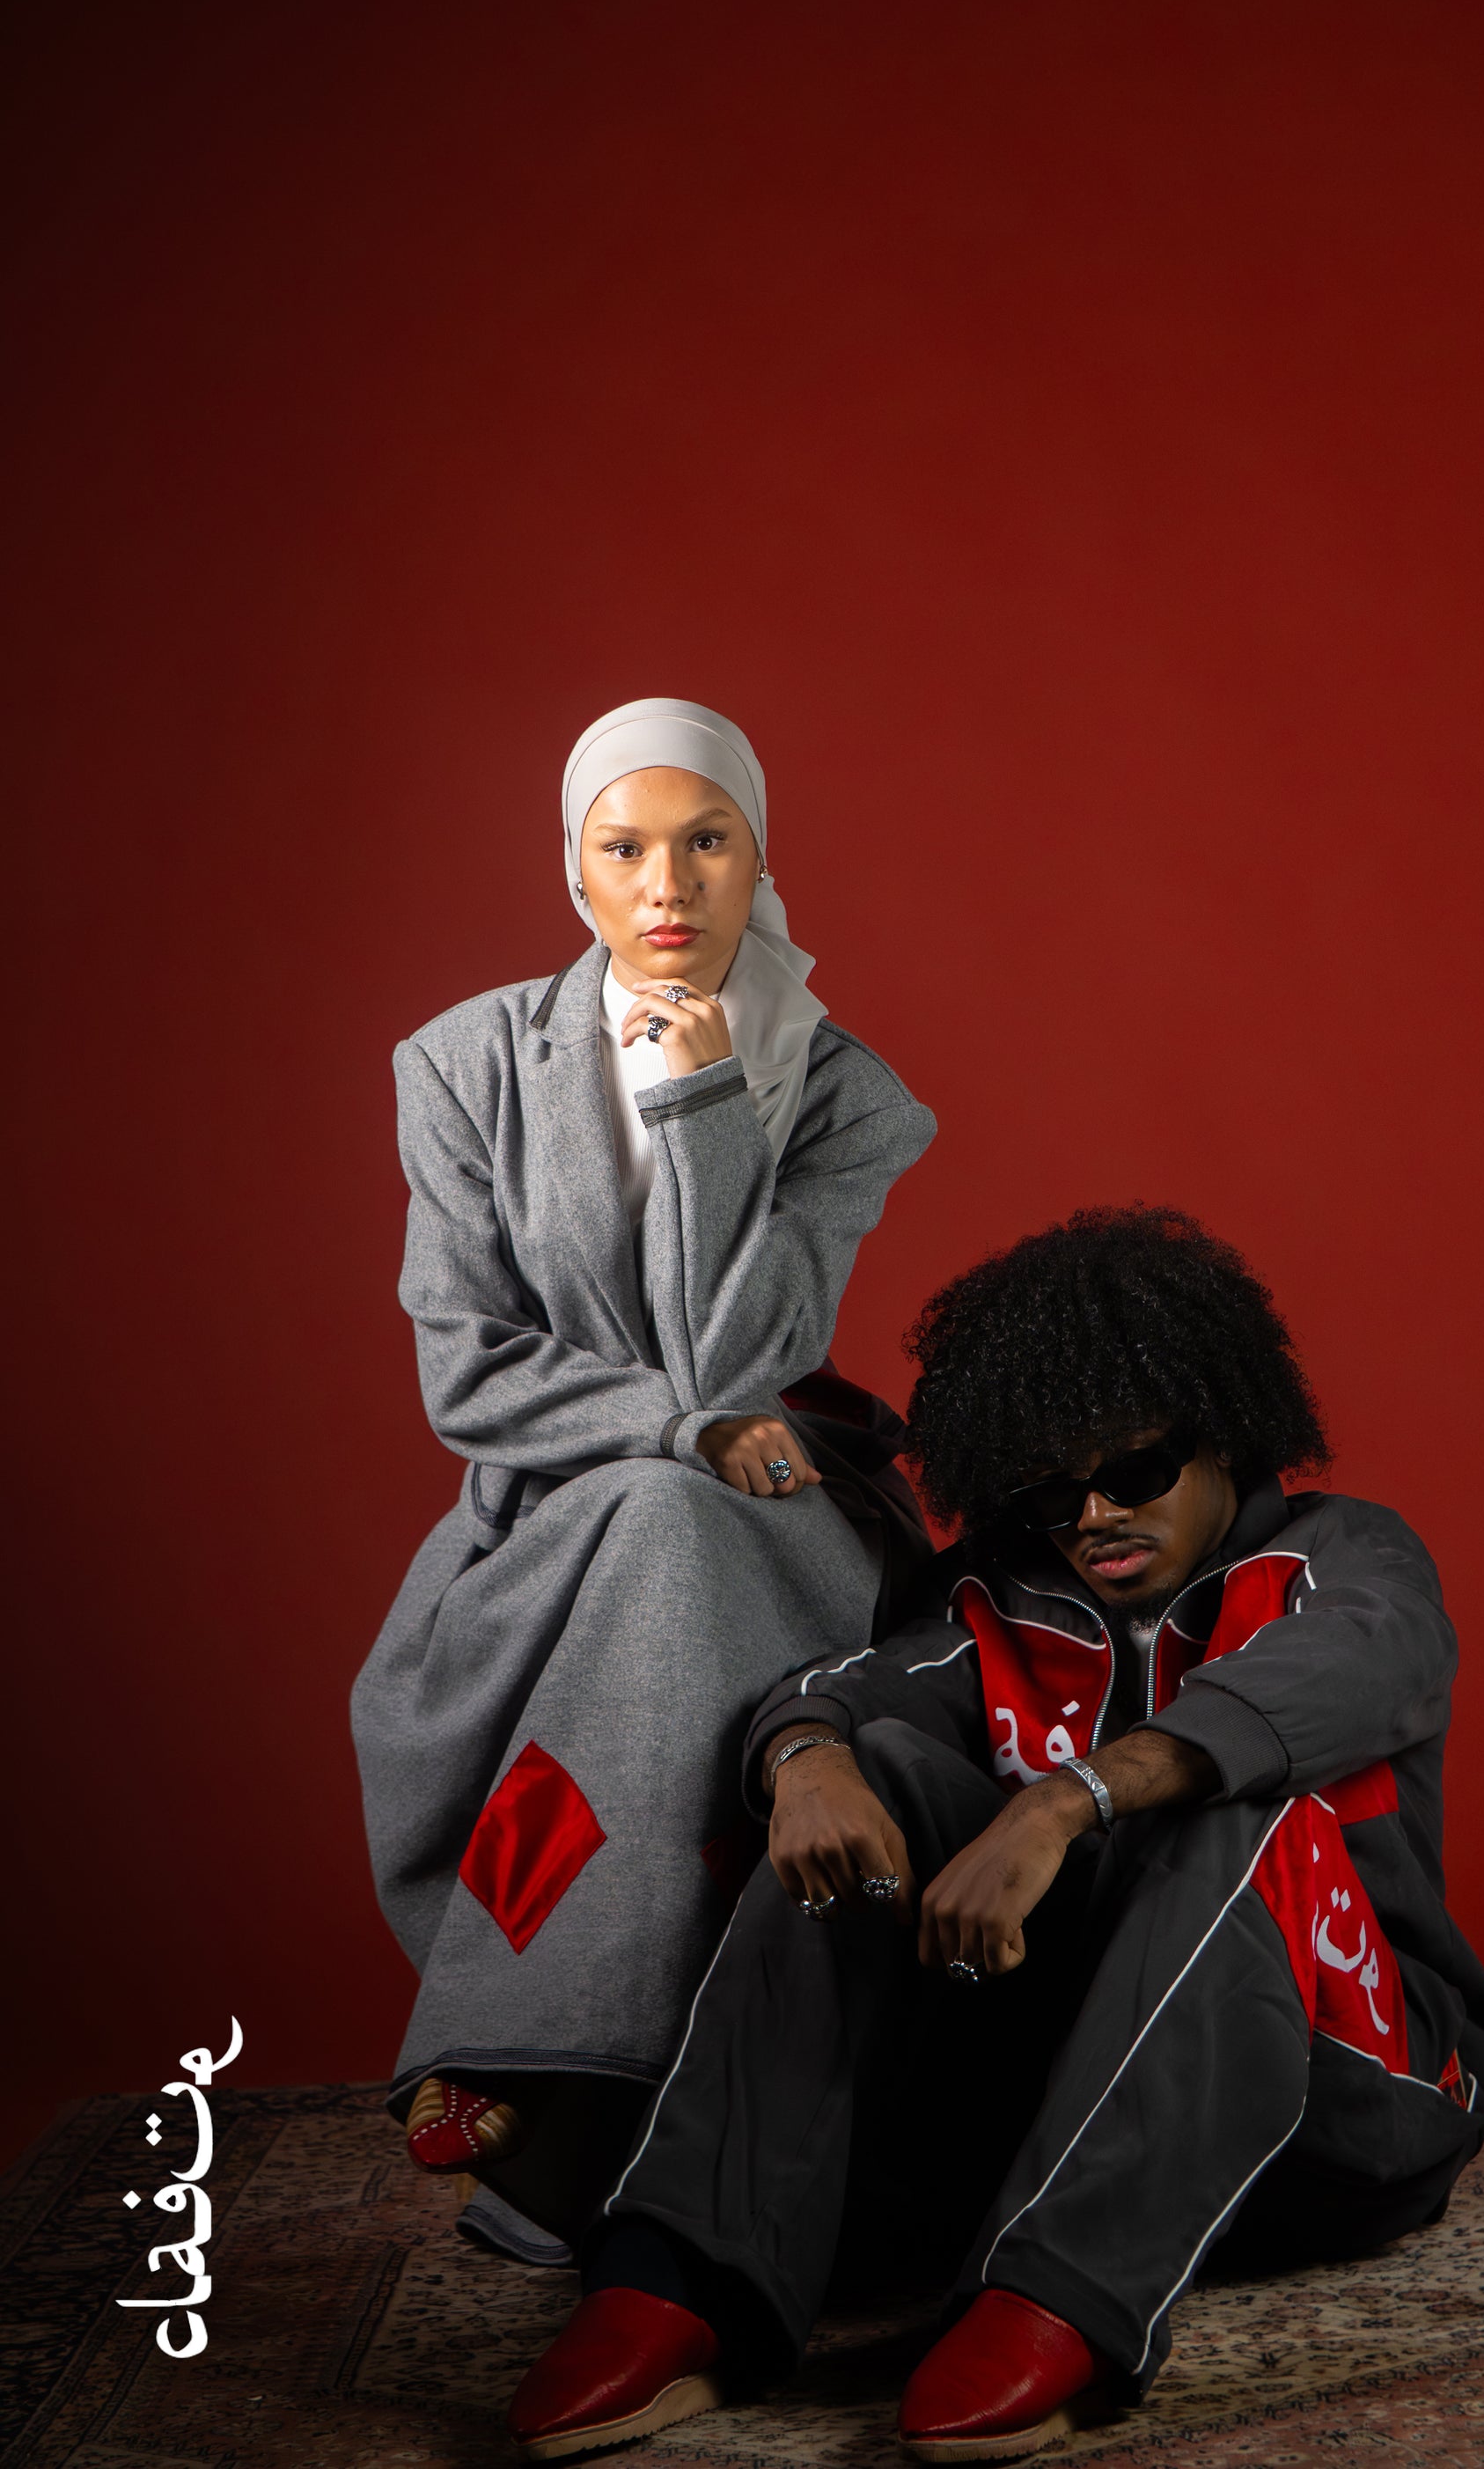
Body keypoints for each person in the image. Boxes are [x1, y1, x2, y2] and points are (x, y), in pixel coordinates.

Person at [506, 1206, 1484, 2460]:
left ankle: (1062, 2298)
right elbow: (848, 1689)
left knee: (1242, 1807)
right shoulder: (1000, 1597)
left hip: (1340, 2109)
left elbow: (1354, 1671)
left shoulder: (1346, 1557)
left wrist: (1065, 1798)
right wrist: (807, 1762)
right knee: (878, 1768)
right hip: (1047, 2115)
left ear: (1222, 1432)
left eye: (1133, 1472)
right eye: (1050, 1490)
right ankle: (685, 2272)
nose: (1092, 1515)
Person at [350, 698, 936, 2262]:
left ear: (761, 860)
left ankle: (522, 2070)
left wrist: (698, 1102)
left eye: (707, 842)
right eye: (626, 848)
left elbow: (739, 1352)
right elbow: (468, 1373)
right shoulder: (464, 1065)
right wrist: (673, 1435)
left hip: (783, 1513)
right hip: (549, 1521)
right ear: (575, 873)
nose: (667, 884)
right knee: (654, 1527)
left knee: (673, 1537)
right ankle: (614, 2126)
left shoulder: (846, 1092)